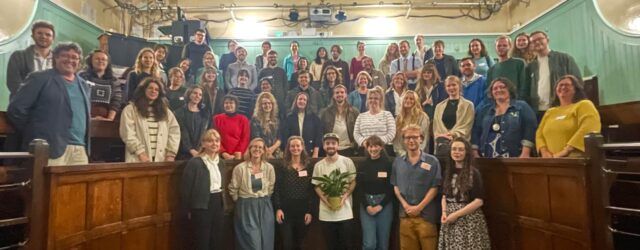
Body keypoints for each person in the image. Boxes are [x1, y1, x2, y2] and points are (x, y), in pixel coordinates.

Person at [7, 42, 91, 166]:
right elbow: (16, 109)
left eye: (74, 57)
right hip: (49, 148)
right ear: (55, 57)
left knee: (78, 185)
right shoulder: (39, 78)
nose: (70, 60)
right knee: (46, 185)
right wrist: (36, 132)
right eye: (65, 56)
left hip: (80, 149)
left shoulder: (84, 85)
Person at [391, 124, 441, 250]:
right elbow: (395, 186)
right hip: (405, 216)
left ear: (421, 139)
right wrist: (406, 205)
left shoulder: (432, 161)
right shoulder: (398, 162)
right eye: (407, 137)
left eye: (414, 137)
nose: (411, 140)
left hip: (426, 216)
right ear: (403, 140)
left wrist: (419, 207)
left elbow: (435, 187)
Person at [439, 138, 490, 250]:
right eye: (454, 149)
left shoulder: (474, 173)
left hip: (468, 219)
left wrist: (456, 215)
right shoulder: (448, 171)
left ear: (466, 152)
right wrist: (444, 212)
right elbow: (444, 195)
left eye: (460, 149)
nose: (457, 152)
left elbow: (479, 201)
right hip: (449, 218)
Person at [180, 129, 227, 250]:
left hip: (218, 204)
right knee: (202, 242)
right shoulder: (195, 163)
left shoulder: (221, 163)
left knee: (216, 240)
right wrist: (187, 210)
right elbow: (186, 189)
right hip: (201, 206)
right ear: (203, 144)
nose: (214, 144)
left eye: (217, 141)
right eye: (210, 141)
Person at [536, 75, 601, 158]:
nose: (563, 87)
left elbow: (589, 128)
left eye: (567, 85)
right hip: (550, 161)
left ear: (575, 89)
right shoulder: (550, 111)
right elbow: (539, 134)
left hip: (575, 159)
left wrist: (566, 151)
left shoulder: (584, 105)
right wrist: (544, 152)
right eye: (560, 85)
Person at [228, 138, 276, 250]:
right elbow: (233, 189)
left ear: (264, 150)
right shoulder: (240, 168)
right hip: (246, 206)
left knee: (266, 241)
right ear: (249, 149)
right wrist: (242, 202)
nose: (257, 149)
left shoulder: (269, 168)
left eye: (260, 147)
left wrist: (264, 199)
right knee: (252, 243)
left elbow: (270, 187)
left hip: (265, 206)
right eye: (254, 146)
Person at [312, 133, 357, 250]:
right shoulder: (318, 165)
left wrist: (345, 197)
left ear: (338, 145)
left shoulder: (347, 161)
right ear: (323, 146)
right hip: (326, 214)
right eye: (327, 143)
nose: (330, 146)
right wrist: (325, 201)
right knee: (331, 245)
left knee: (346, 245)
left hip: (345, 212)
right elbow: (316, 186)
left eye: (333, 143)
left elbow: (353, 181)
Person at [472, 78, 536, 158]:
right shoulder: (484, 110)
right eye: (495, 88)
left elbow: (530, 129)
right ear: (491, 93)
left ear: (509, 89)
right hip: (486, 158)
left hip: (516, 156)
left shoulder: (522, 106)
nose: (498, 90)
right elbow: (476, 131)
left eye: (502, 87)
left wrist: (525, 152)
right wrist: (475, 152)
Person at [120, 77, 180, 162]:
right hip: (138, 159)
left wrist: (171, 154)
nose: (154, 91)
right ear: (143, 90)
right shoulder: (130, 110)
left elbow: (174, 132)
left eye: (157, 89)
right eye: (150, 88)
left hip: (161, 159)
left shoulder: (166, 112)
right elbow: (127, 133)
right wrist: (140, 153)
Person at [524, 31, 582, 116]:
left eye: (540, 39)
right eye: (533, 41)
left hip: (560, 107)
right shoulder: (530, 66)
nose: (537, 42)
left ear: (547, 40)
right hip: (538, 111)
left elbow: (577, 81)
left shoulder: (564, 58)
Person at [273, 136, 315, 250]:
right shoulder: (282, 166)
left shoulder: (309, 166)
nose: (295, 148)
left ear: (302, 147)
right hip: (286, 211)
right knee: (287, 244)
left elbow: (312, 190)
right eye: (292, 146)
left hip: (303, 211)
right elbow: (277, 188)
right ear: (288, 148)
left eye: (298, 145)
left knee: (300, 244)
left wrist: (310, 211)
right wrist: (278, 208)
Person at [357, 135, 394, 250]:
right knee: (369, 244)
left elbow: (391, 188)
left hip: (384, 205)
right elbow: (359, 188)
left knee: (383, 245)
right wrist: (367, 206)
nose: (373, 149)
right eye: (371, 146)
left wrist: (380, 206)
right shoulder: (363, 165)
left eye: (376, 146)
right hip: (366, 205)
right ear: (367, 148)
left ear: (381, 147)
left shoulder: (388, 164)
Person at [7, 20, 55, 97]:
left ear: (53, 39)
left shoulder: (59, 61)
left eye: (48, 35)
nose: (43, 36)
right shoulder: (18, 56)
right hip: (23, 106)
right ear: (33, 36)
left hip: (50, 106)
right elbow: (13, 84)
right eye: (39, 33)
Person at [433, 76, 475, 156]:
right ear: (445, 88)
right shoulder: (439, 106)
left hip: (460, 145)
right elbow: (436, 127)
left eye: (454, 85)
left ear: (459, 86)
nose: (451, 87)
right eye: (448, 86)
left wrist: (452, 135)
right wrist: (443, 136)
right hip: (442, 146)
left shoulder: (468, 105)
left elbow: (467, 126)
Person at [79, 49, 122, 121]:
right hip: (84, 118)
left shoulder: (114, 81)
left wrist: (109, 119)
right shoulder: (82, 77)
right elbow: (78, 99)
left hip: (106, 120)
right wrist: (88, 118)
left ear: (108, 63)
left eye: (104, 59)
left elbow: (116, 101)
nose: (100, 61)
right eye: (97, 59)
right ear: (91, 61)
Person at [320, 84, 360, 157]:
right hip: (331, 148)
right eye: (337, 93)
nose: (339, 94)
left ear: (346, 95)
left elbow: (359, 129)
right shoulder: (325, 112)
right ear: (333, 95)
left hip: (349, 148)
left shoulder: (354, 112)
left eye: (342, 92)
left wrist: (355, 144)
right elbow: (320, 131)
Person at [354, 87, 396, 153]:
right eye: (370, 98)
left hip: (384, 150)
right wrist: (365, 143)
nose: (373, 100)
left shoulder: (387, 115)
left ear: (381, 100)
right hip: (365, 150)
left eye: (376, 98)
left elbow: (391, 133)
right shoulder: (361, 116)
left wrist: (377, 143)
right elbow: (356, 134)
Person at [281, 92, 323, 158]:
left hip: (310, 151)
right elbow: (285, 136)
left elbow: (318, 135)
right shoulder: (289, 117)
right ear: (296, 101)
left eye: (304, 100)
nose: (302, 101)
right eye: (300, 99)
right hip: (293, 151)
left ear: (307, 103)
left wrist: (316, 152)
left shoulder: (314, 118)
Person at [175, 86, 210, 160]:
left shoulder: (204, 114)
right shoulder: (179, 112)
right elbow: (182, 131)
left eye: (200, 94)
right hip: (183, 153)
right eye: (195, 93)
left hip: (201, 151)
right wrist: (190, 149)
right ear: (189, 94)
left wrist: (202, 148)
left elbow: (205, 133)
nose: (197, 96)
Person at [213, 95, 250, 160]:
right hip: (219, 154)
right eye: (226, 103)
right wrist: (222, 152)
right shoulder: (216, 119)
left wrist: (239, 151)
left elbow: (245, 138)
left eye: (231, 103)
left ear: (236, 105)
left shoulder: (243, 119)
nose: (228, 105)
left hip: (238, 155)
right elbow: (214, 137)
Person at [394, 91, 430, 156]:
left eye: (411, 99)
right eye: (406, 98)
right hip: (402, 155)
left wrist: (415, 154)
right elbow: (396, 141)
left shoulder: (423, 117)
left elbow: (423, 139)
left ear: (416, 101)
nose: (408, 100)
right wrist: (403, 154)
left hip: (418, 155)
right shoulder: (398, 118)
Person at [251, 92, 282, 159]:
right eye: (264, 103)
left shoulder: (276, 120)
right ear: (260, 105)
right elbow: (256, 138)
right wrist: (266, 151)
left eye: (269, 103)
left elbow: (280, 138)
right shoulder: (255, 120)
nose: (267, 105)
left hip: (275, 151)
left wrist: (272, 149)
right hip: (260, 150)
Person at [257, 50, 288, 117]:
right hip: (266, 101)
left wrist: (285, 99)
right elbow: (259, 86)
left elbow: (285, 86)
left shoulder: (282, 71)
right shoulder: (262, 71)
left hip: (280, 101)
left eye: (274, 57)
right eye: (270, 57)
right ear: (267, 58)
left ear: (277, 58)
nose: (273, 59)